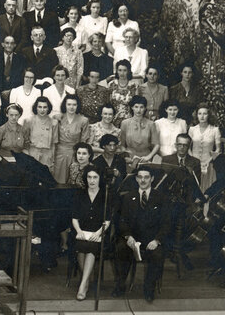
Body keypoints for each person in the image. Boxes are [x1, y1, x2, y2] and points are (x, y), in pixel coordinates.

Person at [113, 166, 168, 302]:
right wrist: (128, 236)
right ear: (136, 179)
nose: (143, 180)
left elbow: (166, 223)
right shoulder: (127, 197)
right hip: (132, 238)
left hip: (152, 240)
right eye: (140, 177)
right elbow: (122, 220)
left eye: (146, 177)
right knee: (120, 248)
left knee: (157, 254)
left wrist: (157, 240)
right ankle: (120, 285)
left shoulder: (161, 198)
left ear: (152, 179)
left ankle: (149, 289)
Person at [72, 166, 111, 301]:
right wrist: (79, 231)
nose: (92, 180)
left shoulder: (105, 195)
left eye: (95, 177)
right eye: (89, 177)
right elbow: (74, 217)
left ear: (100, 179)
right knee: (80, 245)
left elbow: (107, 220)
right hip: (82, 231)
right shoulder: (80, 194)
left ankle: (83, 285)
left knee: (92, 247)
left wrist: (99, 232)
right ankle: (86, 280)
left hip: (99, 232)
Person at [54, 95, 88, 183]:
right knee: (58, 180)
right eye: (69, 104)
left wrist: (80, 154)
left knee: (75, 180)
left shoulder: (83, 120)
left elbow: (84, 140)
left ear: (78, 106)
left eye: (74, 105)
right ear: (65, 105)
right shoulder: (58, 118)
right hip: (59, 153)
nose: (71, 107)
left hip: (75, 153)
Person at [24, 97, 58, 169]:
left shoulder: (54, 123)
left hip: (47, 155)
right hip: (33, 153)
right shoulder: (29, 121)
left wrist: (52, 159)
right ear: (36, 108)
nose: (42, 110)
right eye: (40, 107)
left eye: (45, 107)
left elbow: (54, 143)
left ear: (48, 108)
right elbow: (25, 140)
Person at [120, 96, 156, 164]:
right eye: (136, 107)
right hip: (130, 158)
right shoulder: (125, 123)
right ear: (132, 107)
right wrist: (127, 156)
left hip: (145, 158)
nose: (138, 110)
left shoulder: (151, 124)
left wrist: (149, 156)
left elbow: (156, 144)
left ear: (145, 108)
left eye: (141, 107)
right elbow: (122, 145)